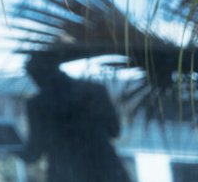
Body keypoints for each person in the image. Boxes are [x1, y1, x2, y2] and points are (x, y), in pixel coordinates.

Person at [16, 54, 132, 182]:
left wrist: (11, 147)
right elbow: (114, 131)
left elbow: (34, 153)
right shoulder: (95, 90)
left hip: (66, 175)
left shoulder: (38, 104)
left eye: (32, 77)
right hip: (107, 171)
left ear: (35, 74)